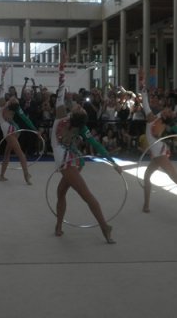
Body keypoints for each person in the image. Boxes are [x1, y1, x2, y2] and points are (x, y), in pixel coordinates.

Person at [51, 50, 119, 243]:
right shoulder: (69, 119)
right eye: (80, 106)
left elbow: (96, 144)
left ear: (74, 115)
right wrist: (62, 66)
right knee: (60, 193)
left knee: (86, 195)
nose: (79, 105)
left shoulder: (61, 115)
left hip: (68, 163)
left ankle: (105, 227)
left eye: (79, 107)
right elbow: (95, 144)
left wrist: (62, 66)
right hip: (68, 160)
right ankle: (58, 226)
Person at [138, 70, 177, 219]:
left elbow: (144, 100)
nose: (168, 109)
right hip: (158, 151)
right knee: (147, 177)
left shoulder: (152, 119)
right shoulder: (157, 118)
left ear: (165, 116)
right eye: (169, 109)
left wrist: (142, 82)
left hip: (159, 153)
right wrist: (142, 82)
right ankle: (146, 205)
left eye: (169, 111)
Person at [0, 65, 35, 184]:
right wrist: (3, 74)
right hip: (9, 130)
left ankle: (2, 175)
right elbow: (2, 88)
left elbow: (25, 119)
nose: (15, 98)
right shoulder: (3, 104)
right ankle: (26, 175)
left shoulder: (15, 107)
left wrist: (34, 129)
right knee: (20, 153)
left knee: (8, 153)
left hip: (13, 129)